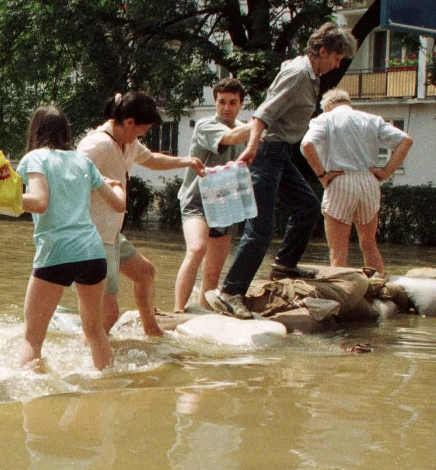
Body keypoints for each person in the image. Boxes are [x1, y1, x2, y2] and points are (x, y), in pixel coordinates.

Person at [207, 22, 357, 319]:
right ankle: (230, 292)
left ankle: (284, 265)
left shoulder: (311, 75)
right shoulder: (299, 74)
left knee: (307, 207)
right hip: (266, 152)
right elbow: (263, 114)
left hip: (281, 153)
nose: (338, 65)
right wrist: (251, 148)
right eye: (337, 59)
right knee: (260, 229)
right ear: (322, 51)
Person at [77, 91, 206, 336]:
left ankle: (152, 330)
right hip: (93, 236)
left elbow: (153, 160)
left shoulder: (128, 142)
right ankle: (91, 353)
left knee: (145, 273)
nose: (144, 134)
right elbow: (73, 171)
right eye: (143, 129)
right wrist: (104, 183)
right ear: (129, 123)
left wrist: (187, 161)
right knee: (109, 312)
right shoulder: (98, 143)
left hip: (111, 232)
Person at [15, 105, 128, 371]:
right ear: (66, 132)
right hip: (92, 253)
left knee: (32, 338)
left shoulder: (35, 158)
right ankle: (107, 387)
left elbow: (39, 202)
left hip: (56, 253)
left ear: (35, 131)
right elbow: (118, 205)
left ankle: (26, 402)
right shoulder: (83, 162)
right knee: (95, 331)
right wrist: (119, 186)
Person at [300, 89, 413, 274]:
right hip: (369, 181)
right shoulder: (371, 119)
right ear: (347, 102)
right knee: (369, 244)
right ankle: (378, 286)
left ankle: (342, 292)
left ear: (327, 106)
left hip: (340, 180)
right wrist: (386, 172)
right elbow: (406, 140)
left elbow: (307, 144)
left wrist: (322, 175)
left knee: (338, 250)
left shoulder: (325, 119)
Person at [173, 78, 253, 313]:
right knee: (197, 248)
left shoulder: (245, 128)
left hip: (226, 203)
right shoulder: (205, 125)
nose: (226, 107)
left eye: (232, 102)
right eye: (221, 102)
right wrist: (265, 122)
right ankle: (178, 310)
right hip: (196, 200)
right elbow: (230, 138)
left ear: (240, 104)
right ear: (215, 103)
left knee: (213, 271)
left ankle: (205, 314)